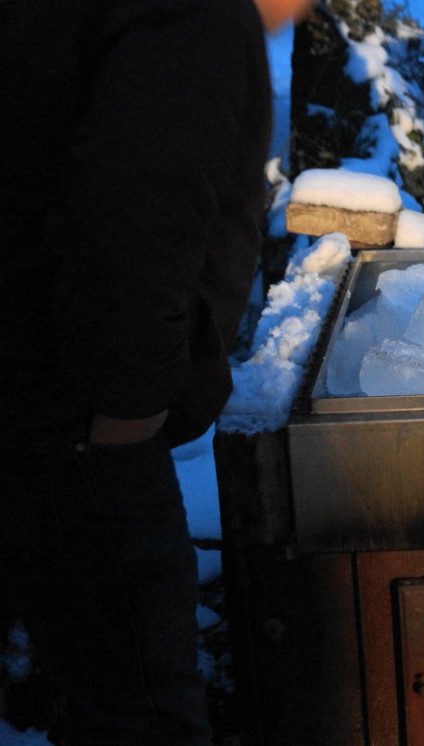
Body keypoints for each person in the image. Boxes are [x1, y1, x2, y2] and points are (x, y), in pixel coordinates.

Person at [0, 0, 312, 742]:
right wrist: (125, 422)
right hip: (75, 428)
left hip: (46, 409)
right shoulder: (191, 15)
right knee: (142, 710)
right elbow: (139, 213)